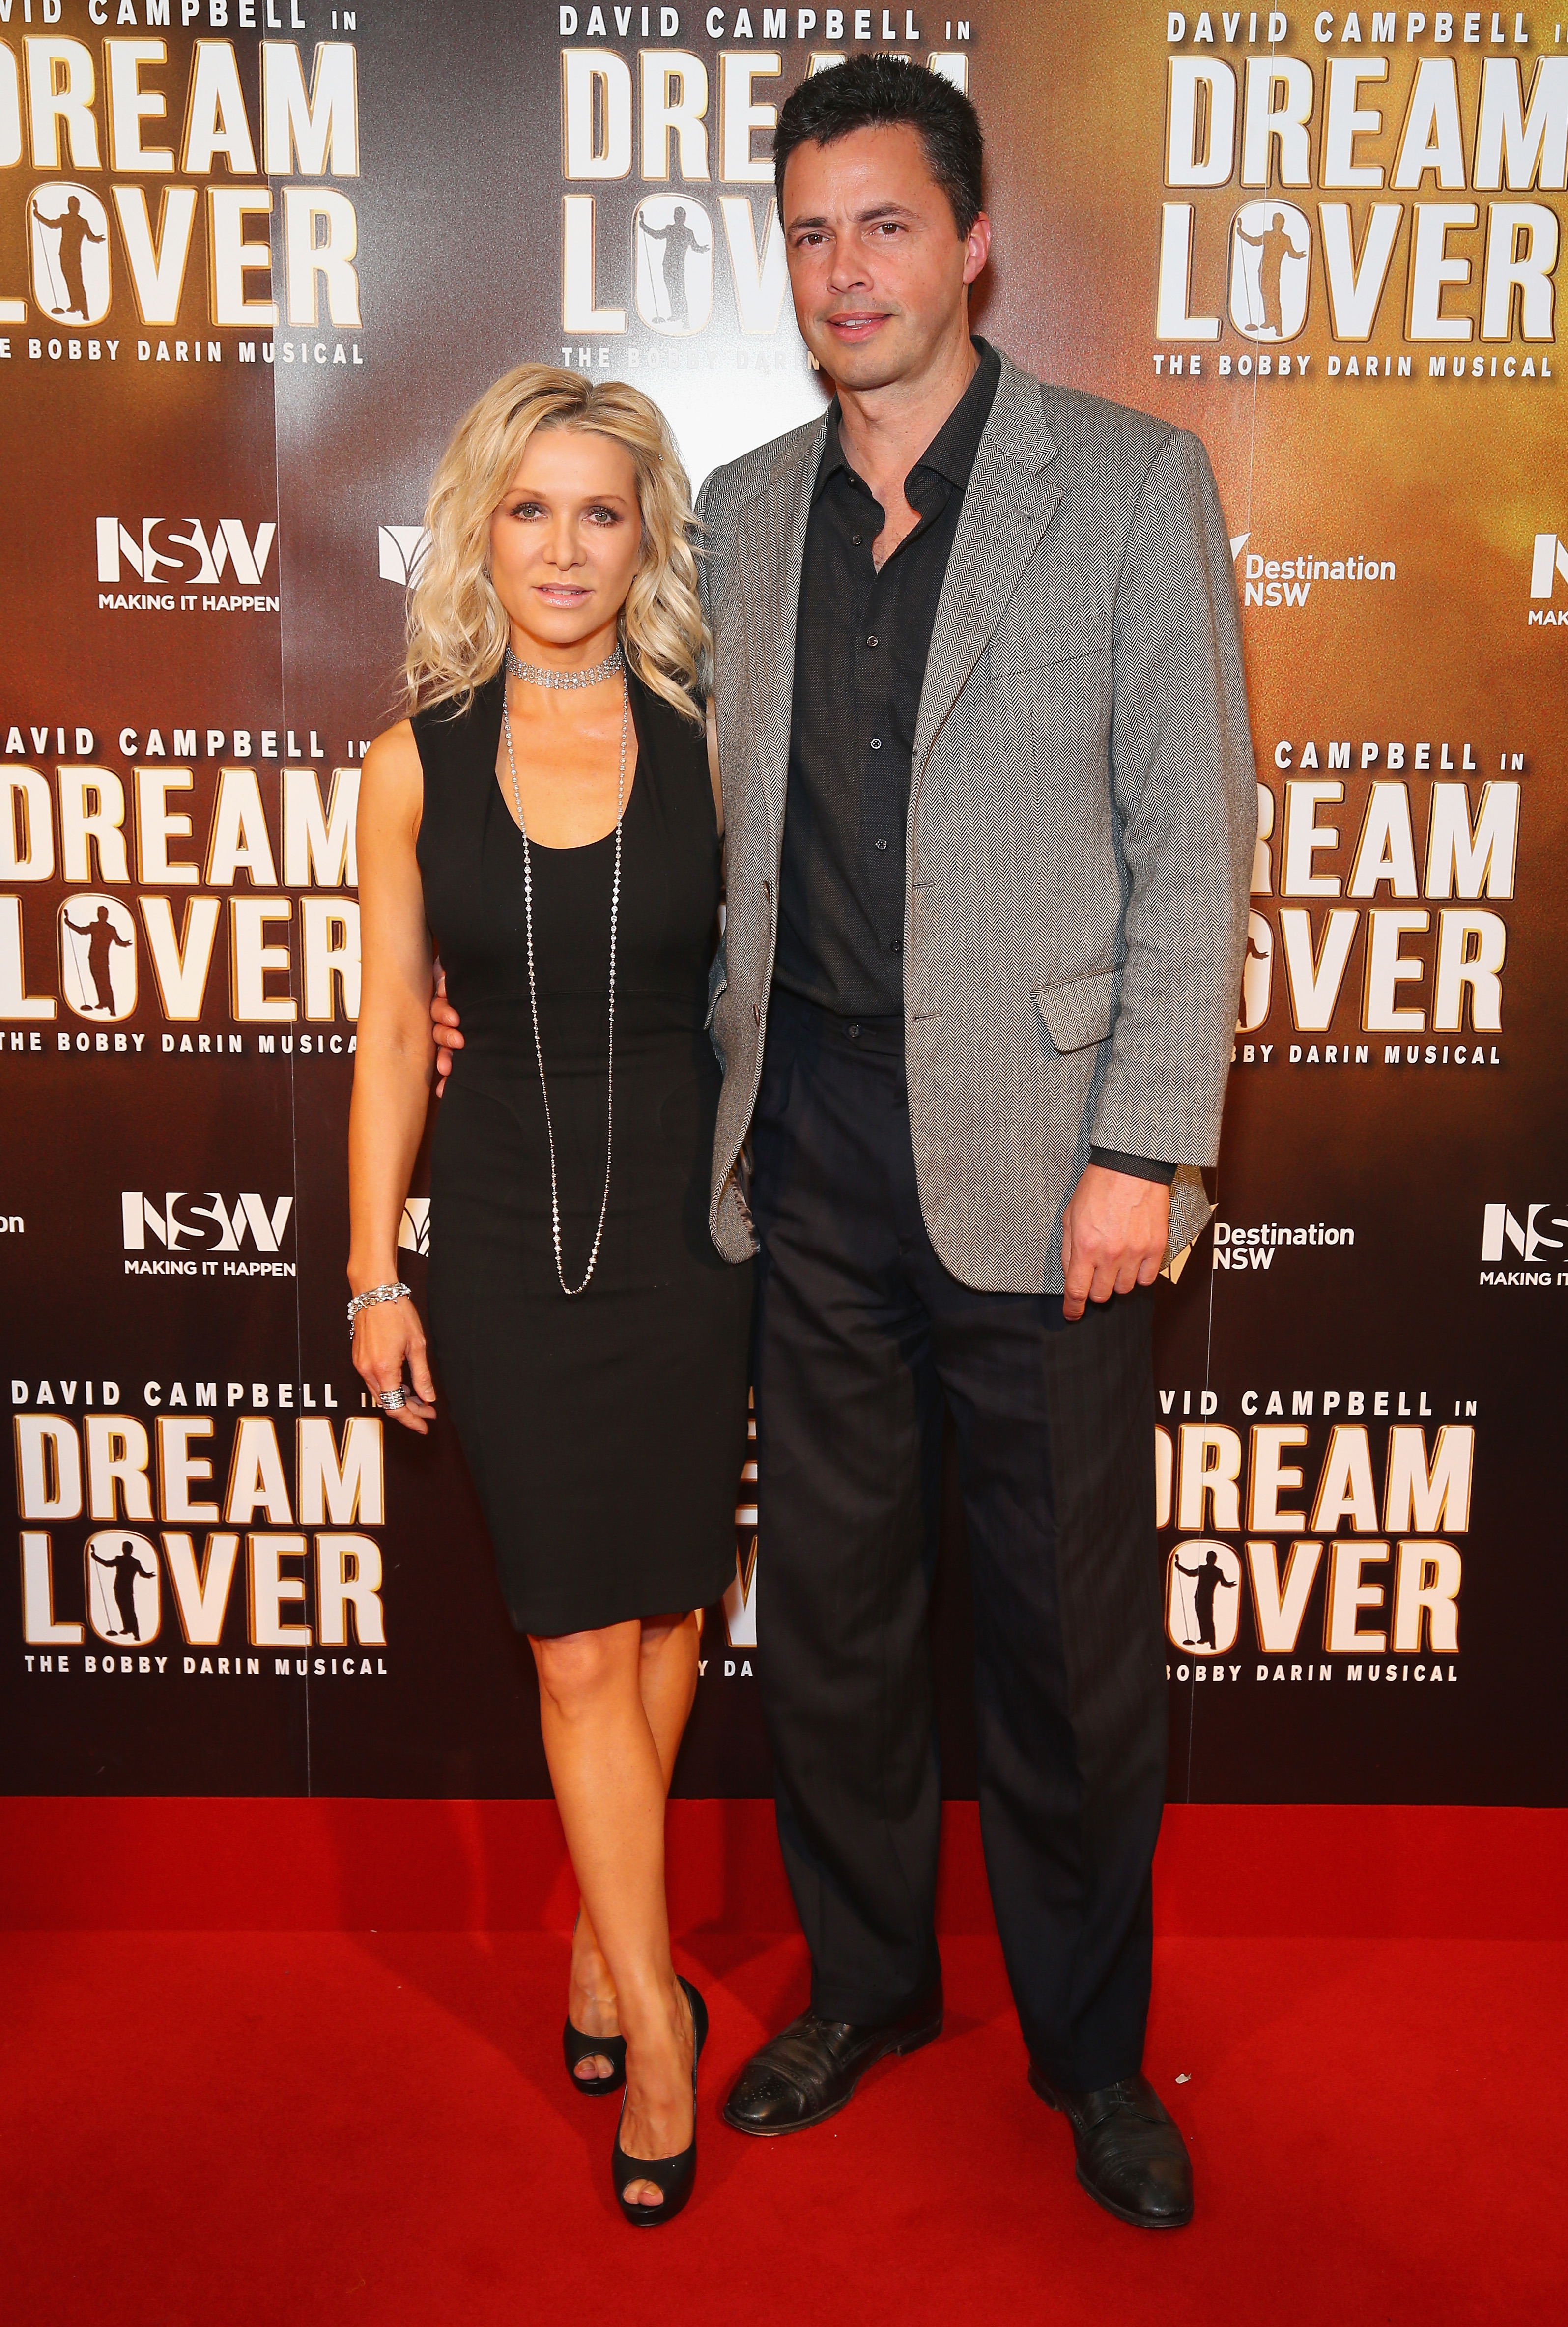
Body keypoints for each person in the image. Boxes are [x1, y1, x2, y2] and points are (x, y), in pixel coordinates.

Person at [435, 58, 1254, 2230]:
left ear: (976, 240)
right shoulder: (746, 507)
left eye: (885, 224)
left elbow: (1199, 850)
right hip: (797, 1157)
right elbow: (645, 806)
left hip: (1046, 1160)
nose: (846, 269)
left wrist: (1147, 1144)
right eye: (809, 234)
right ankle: (869, 1985)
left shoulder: (1129, 487)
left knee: (1070, 1653)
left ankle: (1092, 2051)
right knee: (846, 1630)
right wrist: (476, 971)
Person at [348, 367, 751, 2227]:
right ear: (481, 531)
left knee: (668, 1615)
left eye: (602, 512)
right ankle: (656, 2043)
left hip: (694, 1244)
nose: (567, 549)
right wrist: (376, 1273)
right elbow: (384, 1042)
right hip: (503, 1244)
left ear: (643, 533)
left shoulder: (712, 740)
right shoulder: (411, 759)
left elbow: (768, 994)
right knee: (577, 1645)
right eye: (531, 511)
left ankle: (609, 1946)